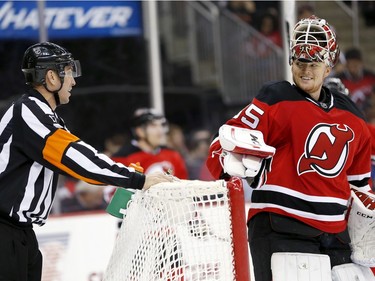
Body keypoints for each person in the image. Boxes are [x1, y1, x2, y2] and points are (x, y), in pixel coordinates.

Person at [206, 16, 373, 281]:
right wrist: (233, 160)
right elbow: (220, 145)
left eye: (314, 63)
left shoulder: (352, 116)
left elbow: (360, 186)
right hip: (282, 227)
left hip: (337, 236)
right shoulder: (275, 98)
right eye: (299, 62)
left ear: (328, 67)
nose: (305, 70)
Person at [0, 42, 173, 281]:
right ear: (51, 77)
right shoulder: (30, 112)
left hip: (19, 234)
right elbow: (78, 160)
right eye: (69, 72)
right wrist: (138, 180)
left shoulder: (43, 115)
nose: (73, 81)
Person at [112, 108, 188, 179]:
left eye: (161, 125)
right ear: (140, 131)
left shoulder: (173, 155)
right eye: (153, 126)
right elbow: (114, 191)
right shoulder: (122, 159)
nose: (160, 131)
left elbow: (183, 186)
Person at [336, 47, 375, 118]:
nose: (353, 68)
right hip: (349, 114)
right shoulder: (339, 80)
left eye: (355, 65)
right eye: (350, 65)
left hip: (369, 115)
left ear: (361, 63)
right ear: (346, 65)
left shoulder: (370, 77)